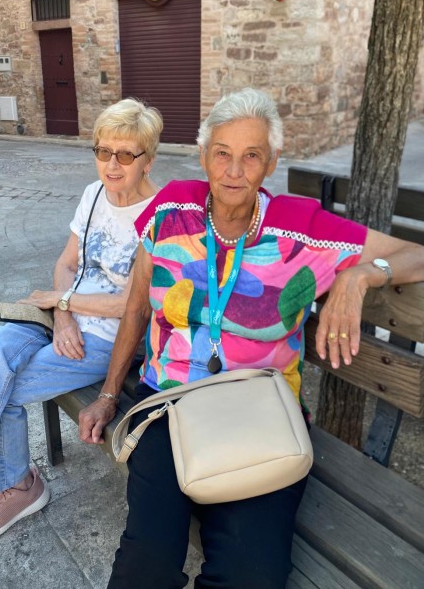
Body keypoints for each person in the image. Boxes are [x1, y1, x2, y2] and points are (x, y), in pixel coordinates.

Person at [79, 87, 424, 589]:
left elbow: (416, 253)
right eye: (222, 153)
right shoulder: (171, 208)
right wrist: (110, 394)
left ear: (271, 163)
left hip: (262, 412)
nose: (234, 171)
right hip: (168, 404)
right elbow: (136, 305)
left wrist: (362, 275)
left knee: (252, 575)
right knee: (145, 563)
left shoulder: (302, 228)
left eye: (252, 156)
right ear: (203, 156)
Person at [0, 98, 163, 576]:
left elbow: (134, 306)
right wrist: (61, 314)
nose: (112, 164)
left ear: (149, 158)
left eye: (126, 154)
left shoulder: (161, 215)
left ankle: (15, 489)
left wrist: (65, 303)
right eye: (103, 151)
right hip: (60, 320)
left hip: (106, 340)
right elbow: (66, 262)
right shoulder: (94, 194)